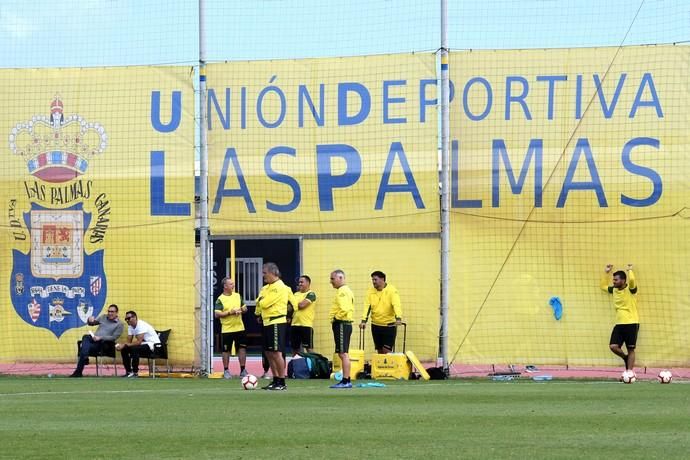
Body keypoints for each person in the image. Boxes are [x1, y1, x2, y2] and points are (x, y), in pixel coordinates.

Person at [255, 262, 292, 390]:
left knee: (276, 352)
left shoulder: (279, 287)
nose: (263, 276)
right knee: (268, 352)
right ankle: (275, 379)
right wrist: (261, 302)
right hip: (267, 322)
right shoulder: (267, 287)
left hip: (276, 322)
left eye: (265, 273)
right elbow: (258, 302)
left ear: (273, 273)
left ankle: (282, 381)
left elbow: (264, 303)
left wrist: (262, 301)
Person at [600, 264, 639, 374]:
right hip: (619, 324)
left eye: (616, 280)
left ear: (623, 280)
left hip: (632, 323)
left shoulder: (631, 289)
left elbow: (631, 280)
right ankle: (625, 358)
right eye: (613, 280)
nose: (614, 282)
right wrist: (606, 272)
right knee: (613, 346)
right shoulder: (614, 290)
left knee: (631, 349)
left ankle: (629, 372)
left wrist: (630, 270)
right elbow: (603, 286)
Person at [70, 304, 124, 377]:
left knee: (84, 348)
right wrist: (89, 320)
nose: (110, 313)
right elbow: (91, 323)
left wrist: (101, 337)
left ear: (116, 312)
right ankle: (85, 357)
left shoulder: (119, 324)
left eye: (112, 312)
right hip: (94, 339)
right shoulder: (103, 317)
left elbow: (114, 337)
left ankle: (78, 371)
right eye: (109, 311)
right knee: (85, 337)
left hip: (104, 344)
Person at [360, 271, 403, 354]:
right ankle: (381, 366)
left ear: (382, 279)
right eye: (372, 280)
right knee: (379, 351)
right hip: (375, 325)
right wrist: (363, 321)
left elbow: (396, 305)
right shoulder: (370, 291)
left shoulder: (392, 290)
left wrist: (398, 318)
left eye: (375, 279)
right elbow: (367, 307)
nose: (373, 282)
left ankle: (387, 366)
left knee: (386, 351)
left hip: (389, 325)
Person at [214, 277, 248, 379]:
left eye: (233, 284)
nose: (233, 285)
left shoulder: (237, 296)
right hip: (227, 329)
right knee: (226, 350)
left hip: (240, 327)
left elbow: (245, 308)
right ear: (225, 286)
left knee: (242, 349)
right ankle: (226, 370)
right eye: (231, 284)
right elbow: (217, 314)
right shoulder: (220, 299)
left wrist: (241, 310)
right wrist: (230, 312)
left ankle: (243, 370)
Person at [329, 269, 354, 389]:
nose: (331, 282)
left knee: (343, 353)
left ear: (340, 278)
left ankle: (346, 380)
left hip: (342, 324)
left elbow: (344, 308)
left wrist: (335, 318)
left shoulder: (343, 291)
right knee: (342, 353)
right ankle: (346, 379)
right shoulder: (343, 291)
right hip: (343, 324)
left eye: (332, 279)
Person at [115, 311, 161, 378]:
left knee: (134, 348)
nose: (127, 320)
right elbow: (129, 342)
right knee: (124, 349)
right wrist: (121, 346)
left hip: (154, 345)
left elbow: (139, 342)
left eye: (129, 318)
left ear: (135, 317)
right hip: (145, 344)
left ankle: (135, 372)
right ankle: (128, 372)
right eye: (126, 319)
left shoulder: (141, 325)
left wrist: (124, 345)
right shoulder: (130, 327)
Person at [290, 275, 317, 355]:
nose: (300, 284)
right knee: (295, 349)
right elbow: (289, 308)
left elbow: (302, 305)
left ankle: (313, 367)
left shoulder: (311, 294)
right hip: (294, 324)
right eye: (299, 282)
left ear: (308, 283)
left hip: (306, 325)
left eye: (302, 282)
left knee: (309, 350)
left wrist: (294, 304)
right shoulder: (295, 294)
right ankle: (296, 366)